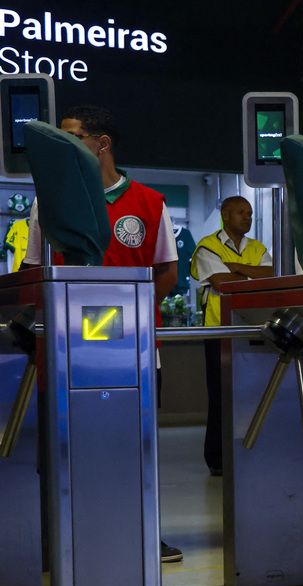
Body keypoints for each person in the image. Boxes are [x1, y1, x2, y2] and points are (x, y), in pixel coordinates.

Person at [24, 105, 184, 561]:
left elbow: (167, 273)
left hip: (134, 352)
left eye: (71, 137)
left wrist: (126, 318)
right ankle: (62, 536)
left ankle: (143, 531)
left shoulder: (150, 203)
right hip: (66, 351)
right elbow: (34, 270)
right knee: (67, 446)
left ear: (101, 144)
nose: (62, 146)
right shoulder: (46, 202)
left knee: (136, 447)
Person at [191, 196, 273, 476]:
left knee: (253, 394)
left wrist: (238, 268)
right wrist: (251, 277)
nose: (247, 217)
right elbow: (221, 282)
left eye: (250, 213)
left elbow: (272, 275)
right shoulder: (207, 246)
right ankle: (217, 459)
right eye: (241, 212)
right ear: (225, 215)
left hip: (252, 330)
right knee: (220, 396)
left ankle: (250, 452)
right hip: (219, 332)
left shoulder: (258, 247)